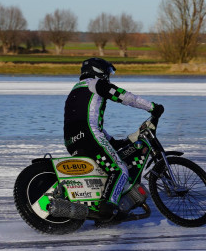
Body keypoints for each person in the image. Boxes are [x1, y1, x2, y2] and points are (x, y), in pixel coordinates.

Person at [64, 57, 164, 217]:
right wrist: (152, 107)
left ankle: (98, 203)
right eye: (108, 73)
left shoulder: (75, 90)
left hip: (72, 141)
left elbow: (84, 121)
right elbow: (125, 97)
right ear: (99, 71)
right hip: (90, 137)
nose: (108, 77)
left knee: (107, 168)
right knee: (120, 170)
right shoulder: (95, 84)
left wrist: (113, 142)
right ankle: (108, 208)